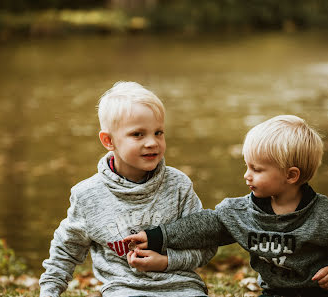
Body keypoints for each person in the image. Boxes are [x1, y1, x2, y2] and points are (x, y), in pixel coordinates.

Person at [124, 115, 328, 297]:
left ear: (291, 176)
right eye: (247, 166)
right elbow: (202, 227)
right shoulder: (241, 213)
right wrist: (157, 237)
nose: (247, 176)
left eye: (257, 170)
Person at [39, 81, 216, 297]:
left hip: (183, 286)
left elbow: (205, 242)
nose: (152, 142)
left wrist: (166, 262)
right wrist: (49, 291)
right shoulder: (88, 196)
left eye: (158, 132)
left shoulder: (178, 185)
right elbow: (66, 249)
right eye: (138, 134)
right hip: (124, 289)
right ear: (109, 141)